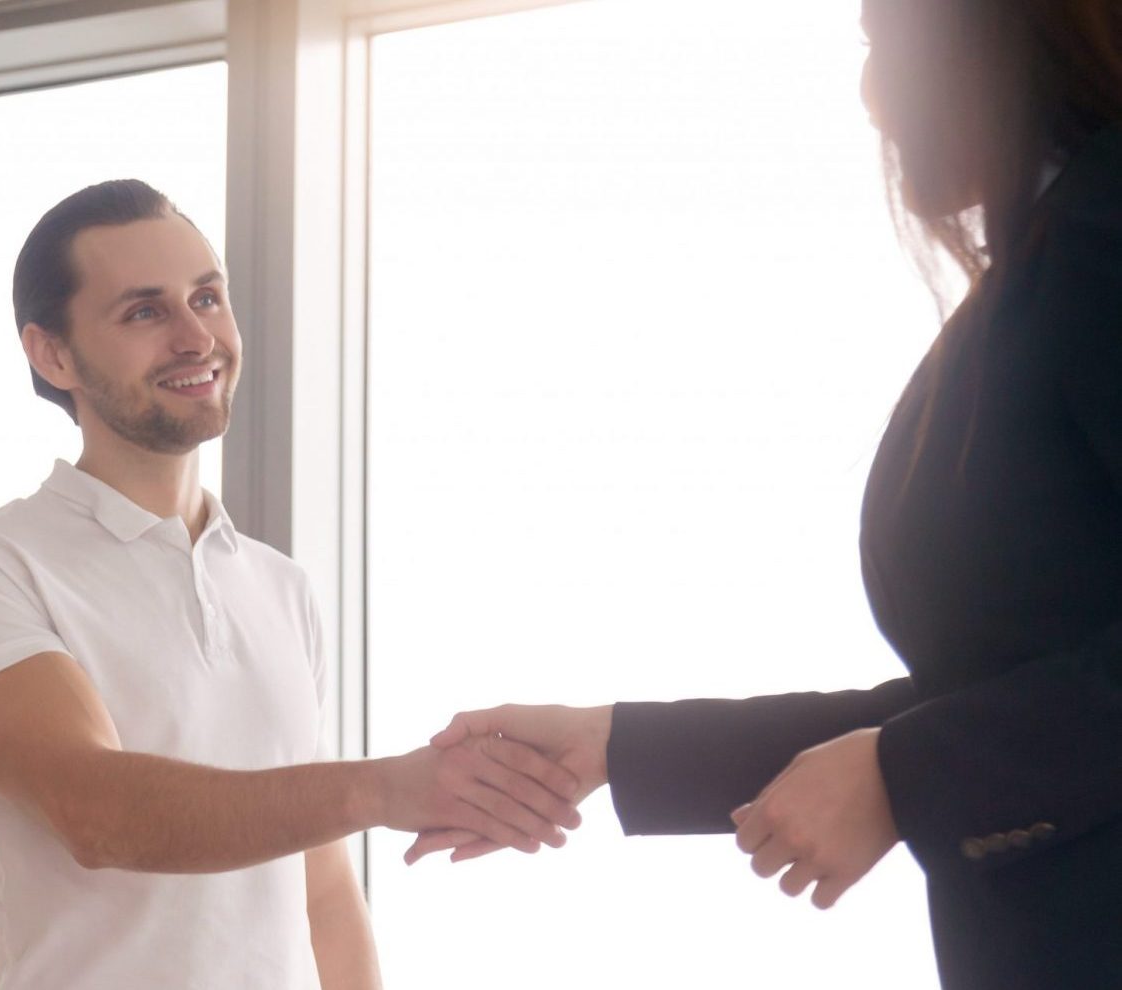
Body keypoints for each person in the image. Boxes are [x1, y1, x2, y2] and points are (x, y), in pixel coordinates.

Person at [416, 1, 1122, 986]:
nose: (872, 96)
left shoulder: (1102, 230)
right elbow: (993, 685)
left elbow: (957, 726)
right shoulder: (1040, 265)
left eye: (881, 42)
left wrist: (906, 776)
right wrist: (617, 745)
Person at [0, 180, 583, 990]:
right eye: (145, 312)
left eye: (208, 297)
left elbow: (321, 892)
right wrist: (383, 787)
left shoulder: (280, 588)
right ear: (52, 354)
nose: (198, 337)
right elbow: (97, 813)